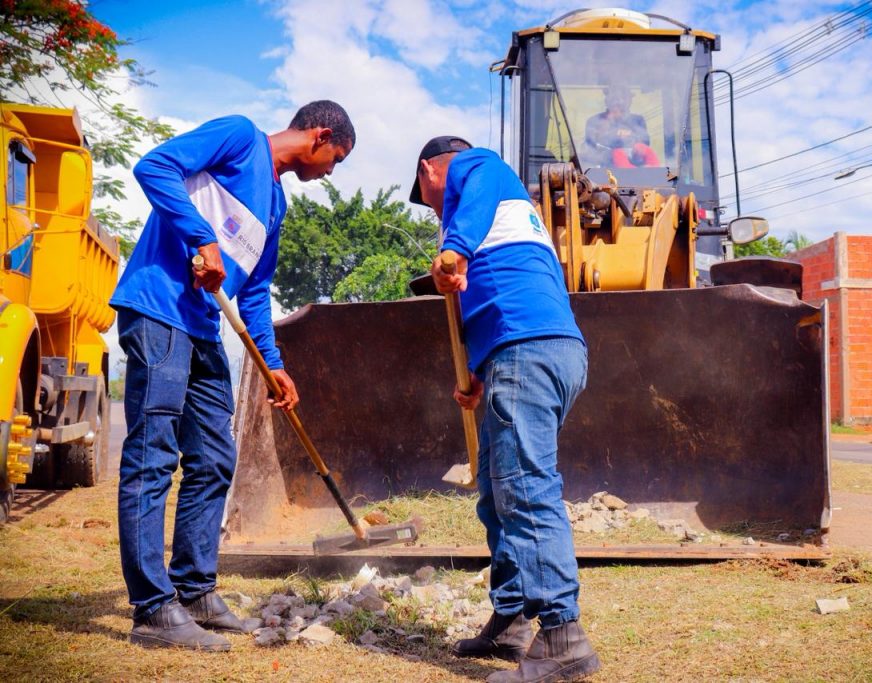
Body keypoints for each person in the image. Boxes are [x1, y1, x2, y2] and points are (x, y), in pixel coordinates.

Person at [110, 100, 355, 651]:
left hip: (201, 329)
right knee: (153, 455)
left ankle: (194, 589)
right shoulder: (239, 137)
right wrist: (201, 238)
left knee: (215, 460)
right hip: (157, 309)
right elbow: (154, 166)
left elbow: (257, 295)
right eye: (334, 160)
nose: (328, 173)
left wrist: (274, 364)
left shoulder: (276, 207)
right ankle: (152, 608)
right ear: (318, 136)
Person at [412, 136, 601, 683]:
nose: (433, 208)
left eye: (427, 197)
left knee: (524, 488)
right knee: (497, 489)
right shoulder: (508, 215)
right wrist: (478, 373)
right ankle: (515, 613)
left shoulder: (480, 168)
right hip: (528, 351)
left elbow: (479, 183)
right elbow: (504, 289)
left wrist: (455, 247)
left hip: (529, 349)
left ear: (430, 170)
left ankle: (563, 637)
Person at [584, 85, 659, 168]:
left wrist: (631, 137)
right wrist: (608, 133)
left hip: (637, 175)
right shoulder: (595, 121)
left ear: (630, 101)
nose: (619, 102)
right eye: (615, 98)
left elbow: (645, 144)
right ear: (607, 100)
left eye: (623, 97)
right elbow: (590, 149)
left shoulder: (638, 120)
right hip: (602, 174)